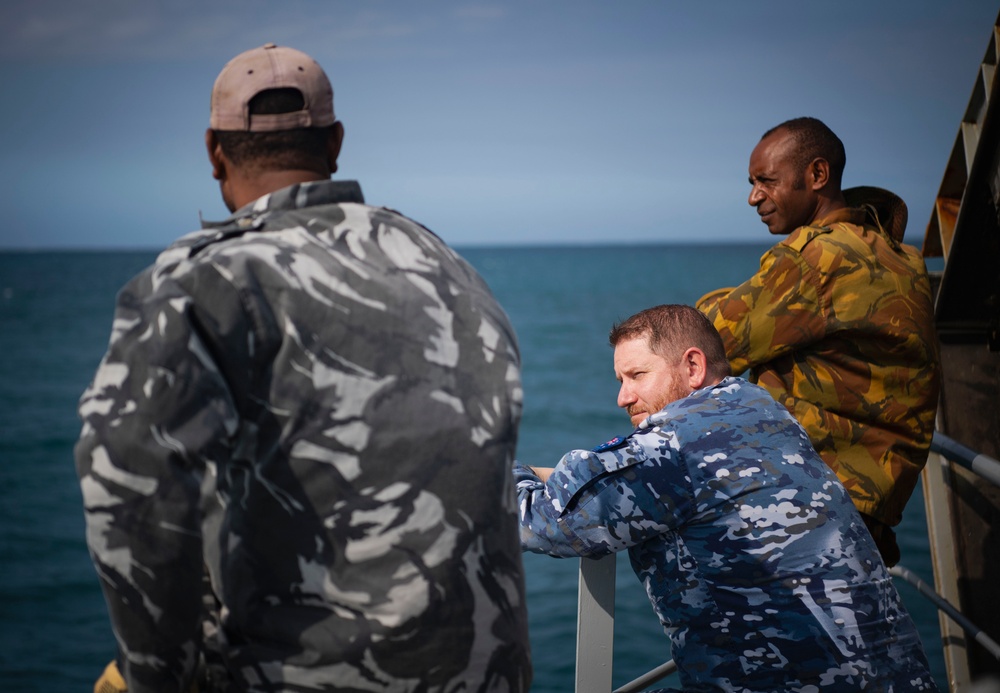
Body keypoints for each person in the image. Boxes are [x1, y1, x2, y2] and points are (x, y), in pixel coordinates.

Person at [75, 43, 531, 693]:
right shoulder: (449, 267)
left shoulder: (203, 275)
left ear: (214, 151)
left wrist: (159, 677)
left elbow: (123, 478)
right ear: (335, 143)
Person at [515, 304, 937, 692]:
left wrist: (502, 470)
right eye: (620, 381)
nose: (622, 397)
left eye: (637, 376)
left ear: (693, 366)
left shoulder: (673, 448)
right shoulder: (764, 409)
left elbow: (547, 521)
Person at [696, 117, 941, 566]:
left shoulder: (819, 258)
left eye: (766, 181)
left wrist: (735, 296)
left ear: (817, 175)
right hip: (871, 503)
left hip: (815, 503)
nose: (753, 197)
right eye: (752, 183)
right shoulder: (897, 254)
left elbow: (709, 343)